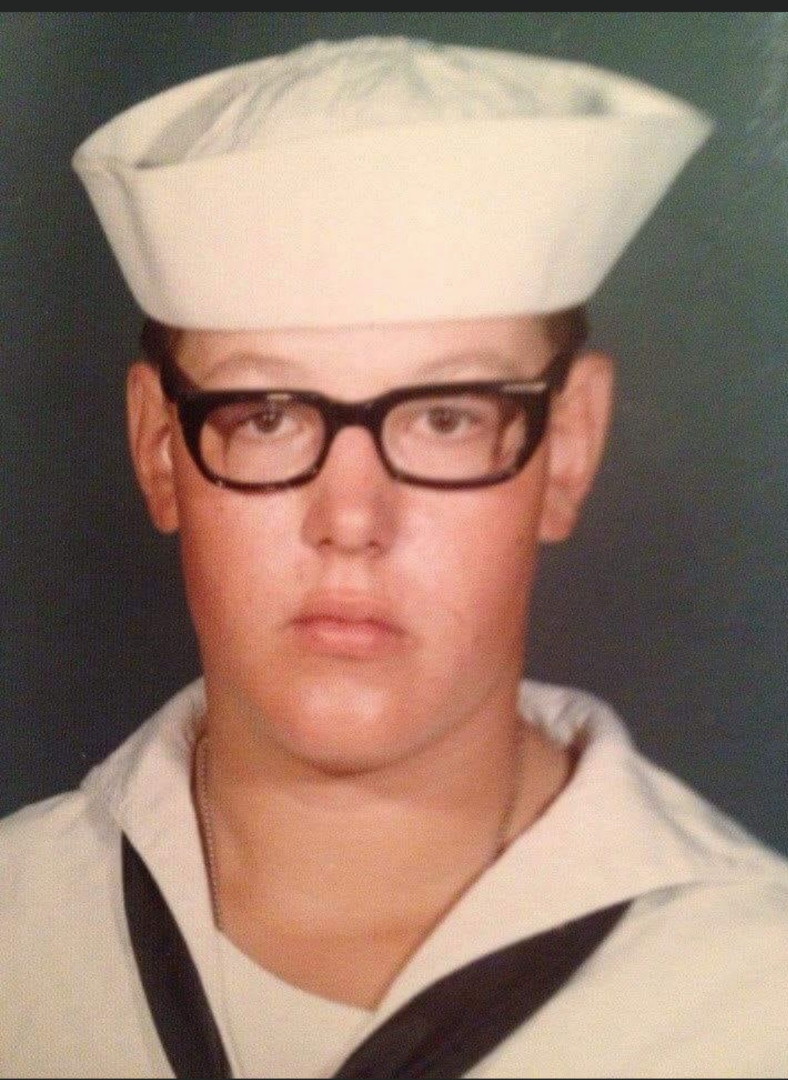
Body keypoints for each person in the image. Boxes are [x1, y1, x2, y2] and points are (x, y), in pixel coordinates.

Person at [2, 35, 786, 1079]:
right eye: (266, 413)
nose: (352, 519)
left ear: (569, 447)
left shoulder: (755, 997)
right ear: (156, 445)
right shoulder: (19, 930)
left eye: (447, 417)